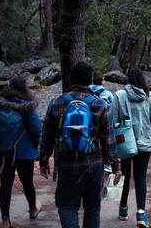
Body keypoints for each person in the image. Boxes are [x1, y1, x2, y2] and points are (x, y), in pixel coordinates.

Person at [38, 62, 122, 228]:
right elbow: (109, 139)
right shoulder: (101, 104)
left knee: (67, 205)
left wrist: (43, 160)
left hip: (66, 165)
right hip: (94, 165)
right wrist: (116, 165)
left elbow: (46, 136)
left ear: (70, 79)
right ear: (91, 80)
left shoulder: (57, 103)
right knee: (92, 207)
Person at [0, 76, 42, 228]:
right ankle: (33, 209)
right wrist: (35, 146)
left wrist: (0, 139)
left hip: (4, 152)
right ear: (25, 89)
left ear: (9, 87)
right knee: (27, 182)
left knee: (5, 185)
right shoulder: (28, 106)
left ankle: (5, 220)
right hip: (25, 153)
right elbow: (36, 128)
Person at [111, 66, 151, 228]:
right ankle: (141, 214)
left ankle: (123, 209)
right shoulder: (150, 97)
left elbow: (113, 121)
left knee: (123, 175)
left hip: (124, 144)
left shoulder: (119, 96)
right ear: (142, 79)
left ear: (128, 79)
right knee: (140, 177)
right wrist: (149, 136)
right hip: (144, 144)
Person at [89, 73, 114, 174]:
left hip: (90, 122)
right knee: (105, 141)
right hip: (103, 121)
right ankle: (106, 163)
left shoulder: (88, 91)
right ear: (102, 81)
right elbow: (112, 107)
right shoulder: (107, 94)